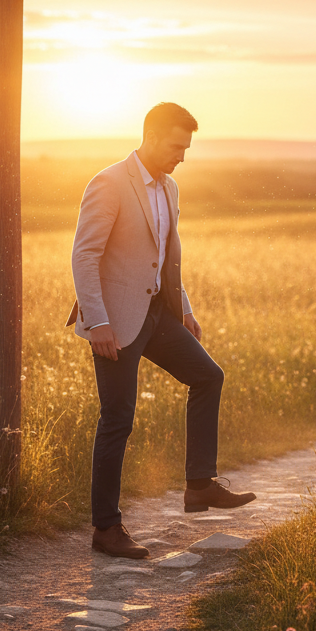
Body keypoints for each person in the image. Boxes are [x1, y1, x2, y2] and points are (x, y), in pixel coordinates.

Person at [66, 102, 256, 559]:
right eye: (175, 146)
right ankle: (106, 529)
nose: (181, 156)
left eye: (186, 148)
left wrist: (184, 308)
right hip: (115, 322)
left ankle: (199, 484)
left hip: (158, 314)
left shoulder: (170, 188)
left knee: (208, 376)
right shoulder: (109, 183)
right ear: (150, 137)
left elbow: (167, 255)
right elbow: (84, 256)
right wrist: (99, 322)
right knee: (118, 420)